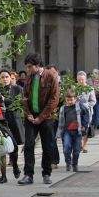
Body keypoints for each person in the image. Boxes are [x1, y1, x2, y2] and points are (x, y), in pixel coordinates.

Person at [18, 53, 60, 185]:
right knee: (29, 144)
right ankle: (28, 174)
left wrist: (41, 117)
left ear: (37, 65)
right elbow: (24, 96)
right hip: (31, 117)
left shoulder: (50, 76)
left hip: (46, 117)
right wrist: (28, 113)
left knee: (47, 145)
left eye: (30, 67)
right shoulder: (30, 77)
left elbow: (54, 99)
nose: (28, 70)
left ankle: (46, 173)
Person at [0, 68, 24, 183]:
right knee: (2, 148)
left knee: (13, 145)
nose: (4, 79)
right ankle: (3, 175)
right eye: (2, 77)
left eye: (6, 77)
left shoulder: (17, 89)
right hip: (1, 121)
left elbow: (18, 102)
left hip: (14, 120)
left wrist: (5, 99)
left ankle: (15, 166)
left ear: (10, 78)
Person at [56, 89, 89, 172]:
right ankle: (68, 163)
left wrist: (84, 126)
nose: (70, 102)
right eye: (68, 100)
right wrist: (60, 132)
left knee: (77, 149)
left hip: (77, 131)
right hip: (67, 131)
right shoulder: (63, 108)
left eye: (71, 100)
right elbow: (60, 121)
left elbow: (86, 114)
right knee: (66, 147)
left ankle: (75, 164)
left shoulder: (80, 106)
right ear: (65, 99)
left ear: (75, 99)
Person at [76, 71, 96, 153]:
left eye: (82, 79)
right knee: (77, 128)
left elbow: (93, 101)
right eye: (79, 79)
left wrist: (85, 105)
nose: (81, 81)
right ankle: (79, 144)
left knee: (85, 129)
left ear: (85, 80)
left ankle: (84, 145)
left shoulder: (90, 88)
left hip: (87, 112)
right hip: (76, 111)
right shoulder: (74, 88)